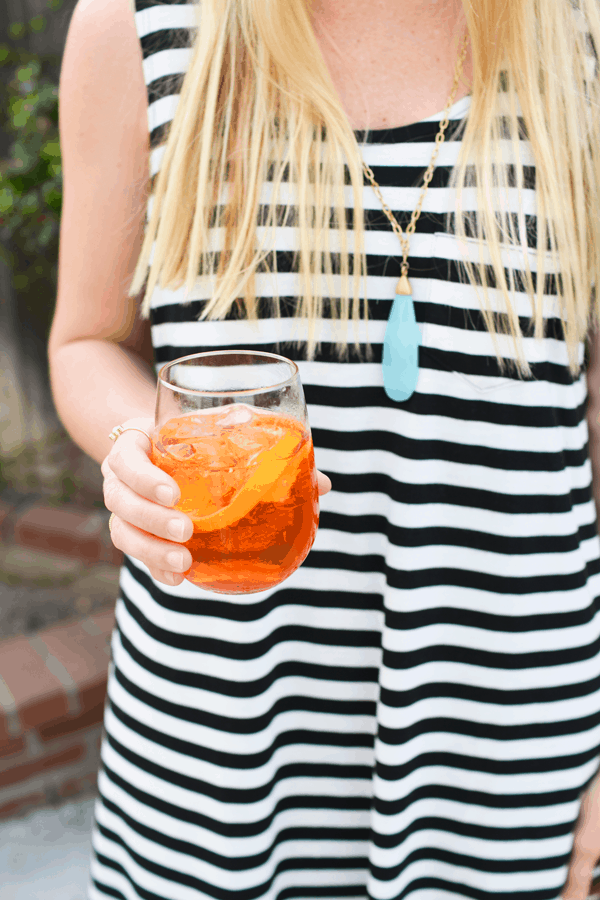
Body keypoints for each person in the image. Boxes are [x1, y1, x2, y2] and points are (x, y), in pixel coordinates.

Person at [48, 0, 600, 896]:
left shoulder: (578, 30)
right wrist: (136, 451)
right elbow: (85, 340)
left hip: (510, 725)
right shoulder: (134, 22)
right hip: (224, 729)